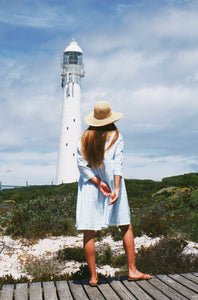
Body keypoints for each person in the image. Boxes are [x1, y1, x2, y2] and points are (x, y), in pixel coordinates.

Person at [76, 101, 151, 286]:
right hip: (112, 184)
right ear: (110, 118)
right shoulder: (116, 135)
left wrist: (98, 182)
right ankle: (132, 270)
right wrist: (115, 188)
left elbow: (81, 165)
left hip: (90, 187)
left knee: (89, 230)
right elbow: (118, 164)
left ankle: (93, 277)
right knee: (125, 225)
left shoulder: (85, 137)